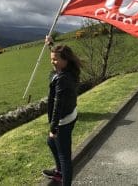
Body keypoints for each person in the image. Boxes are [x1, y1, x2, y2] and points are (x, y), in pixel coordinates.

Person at [42, 36, 81, 186]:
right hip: (70, 115)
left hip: (63, 120)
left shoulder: (63, 78)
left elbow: (58, 104)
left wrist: (54, 127)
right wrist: (50, 45)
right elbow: (55, 55)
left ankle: (64, 178)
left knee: (65, 156)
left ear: (66, 60)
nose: (53, 61)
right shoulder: (66, 70)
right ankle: (59, 172)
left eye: (56, 60)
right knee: (51, 143)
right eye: (52, 59)